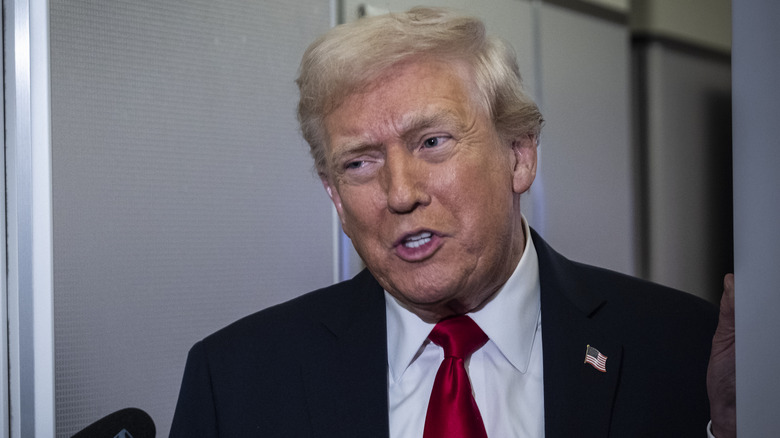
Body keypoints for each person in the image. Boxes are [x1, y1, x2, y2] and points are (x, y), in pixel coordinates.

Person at [170, 7, 735, 437]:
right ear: (335, 198)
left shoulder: (683, 347)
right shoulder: (235, 382)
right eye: (360, 162)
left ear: (519, 155)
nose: (400, 194)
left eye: (432, 142)